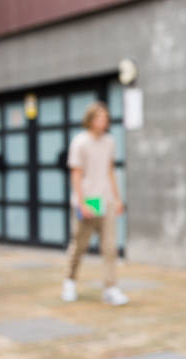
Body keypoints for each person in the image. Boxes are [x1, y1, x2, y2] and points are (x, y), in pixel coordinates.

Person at [61, 102, 128, 306]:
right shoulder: (80, 142)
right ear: (90, 120)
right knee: (79, 245)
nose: (104, 121)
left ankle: (110, 287)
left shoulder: (110, 141)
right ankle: (69, 281)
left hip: (105, 198)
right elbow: (76, 174)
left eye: (106, 117)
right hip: (89, 200)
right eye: (100, 117)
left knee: (110, 247)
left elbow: (109, 171)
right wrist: (81, 203)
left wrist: (117, 198)